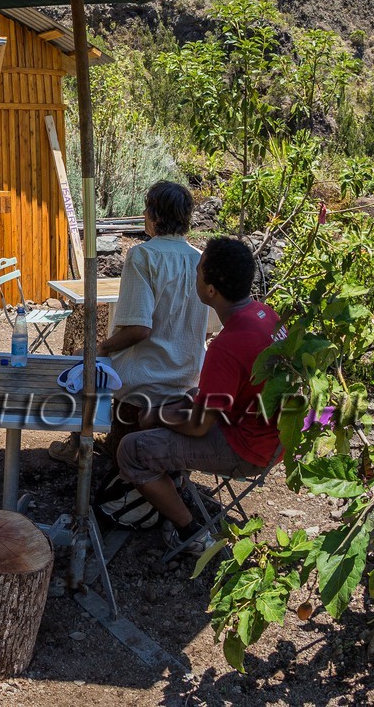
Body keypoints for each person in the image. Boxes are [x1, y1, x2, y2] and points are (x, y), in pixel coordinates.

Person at [113, 236, 285, 556]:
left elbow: (198, 426)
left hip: (247, 450)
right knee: (187, 395)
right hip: (272, 435)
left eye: (199, 269)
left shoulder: (227, 345)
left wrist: (156, 415)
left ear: (210, 290)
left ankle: (188, 531)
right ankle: (176, 482)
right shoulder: (265, 315)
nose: (194, 273)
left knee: (131, 449)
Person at [48, 181, 210, 464]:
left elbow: (138, 329)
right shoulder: (199, 259)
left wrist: (101, 348)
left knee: (78, 369)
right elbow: (208, 326)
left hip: (146, 383)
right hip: (187, 378)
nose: (144, 214)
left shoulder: (143, 255)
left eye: (147, 209)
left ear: (156, 216)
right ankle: (106, 443)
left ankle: (81, 443)